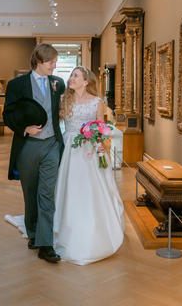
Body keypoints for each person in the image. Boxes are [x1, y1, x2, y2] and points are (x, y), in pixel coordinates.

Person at [53, 66, 125, 265]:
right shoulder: (64, 100)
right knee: (71, 189)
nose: (71, 78)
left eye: (76, 76)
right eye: (71, 75)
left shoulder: (97, 102)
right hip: (69, 150)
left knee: (91, 190)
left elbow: (100, 128)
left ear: (86, 81)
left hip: (89, 151)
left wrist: (101, 145)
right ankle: (67, 229)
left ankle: (95, 232)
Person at [3, 43, 65, 263]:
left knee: (47, 193)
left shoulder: (58, 83)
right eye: (51, 62)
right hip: (27, 146)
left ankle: (45, 243)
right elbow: (8, 114)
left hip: (51, 145)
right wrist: (24, 129)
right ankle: (32, 232)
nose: (54, 66)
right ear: (38, 62)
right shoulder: (17, 85)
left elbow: (64, 109)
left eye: (55, 61)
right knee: (30, 192)